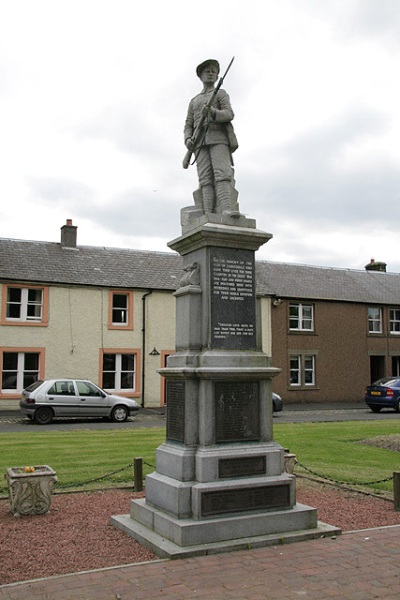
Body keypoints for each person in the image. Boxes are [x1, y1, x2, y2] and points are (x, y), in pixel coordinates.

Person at [184, 59, 238, 215]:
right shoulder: (194, 101)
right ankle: (208, 213)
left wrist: (213, 113)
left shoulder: (221, 93)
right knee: (205, 180)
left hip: (218, 138)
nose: (211, 73)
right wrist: (188, 139)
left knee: (222, 175)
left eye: (214, 71)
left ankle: (226, 209)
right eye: (207, 70)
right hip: (200, 142)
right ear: (200, 75)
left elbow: (229, 114)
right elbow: (188, 124)